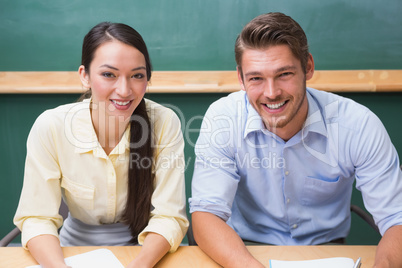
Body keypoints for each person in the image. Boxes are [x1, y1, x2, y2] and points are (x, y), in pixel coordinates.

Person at [189, 12, 402, 268]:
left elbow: (396, 218)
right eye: (256, 78)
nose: (271, 93)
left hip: (326, 253)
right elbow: (206, 215)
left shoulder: (357, 125)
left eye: (284, 74)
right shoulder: (223, 119)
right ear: (240, 78)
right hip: (242, 251)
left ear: (308, 67)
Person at [14, 22, 188, 268]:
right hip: (71, 247)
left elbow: (169, 216)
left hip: (148, 248)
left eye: (137, 75)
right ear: (84, 75)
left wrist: (139, 265)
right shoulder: (51, 126)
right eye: (109, 74)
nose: (125, 90)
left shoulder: (164, 122)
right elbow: (38, 218)